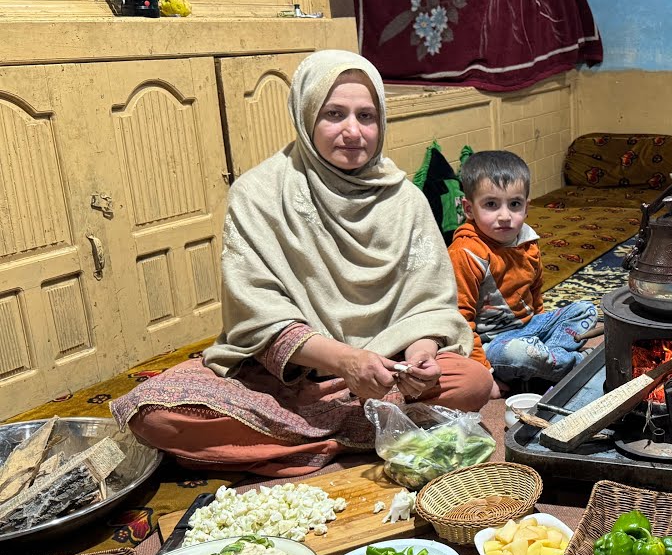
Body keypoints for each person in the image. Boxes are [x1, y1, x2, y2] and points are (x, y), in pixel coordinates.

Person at [112, 50, 495, 477]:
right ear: (306, 115)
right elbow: (257, 314)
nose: (353, 131)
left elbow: (428, 304)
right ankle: (360, 433)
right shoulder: (259, 193)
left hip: (388, 375)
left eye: (366, 117)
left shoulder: (404, 200)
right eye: (334, 114)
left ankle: (303, 438)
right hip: (290, 380)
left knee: (473, 383)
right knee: (153, 415)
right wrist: (346, 362)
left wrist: (421, 356)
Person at [449, 150, 597, 388]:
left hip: (529, 327)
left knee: (586, 310)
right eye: (491, 204)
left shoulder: (527, 239)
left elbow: (535, 291)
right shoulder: (466, 252)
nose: (505, 216)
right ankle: (574, 363)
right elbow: (459, 320)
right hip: (494, 343)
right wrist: (485, 372)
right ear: (468, 209)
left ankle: (548, 358)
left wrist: (542, 324)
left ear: (526, 207)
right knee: (519, 354)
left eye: (514, 204)